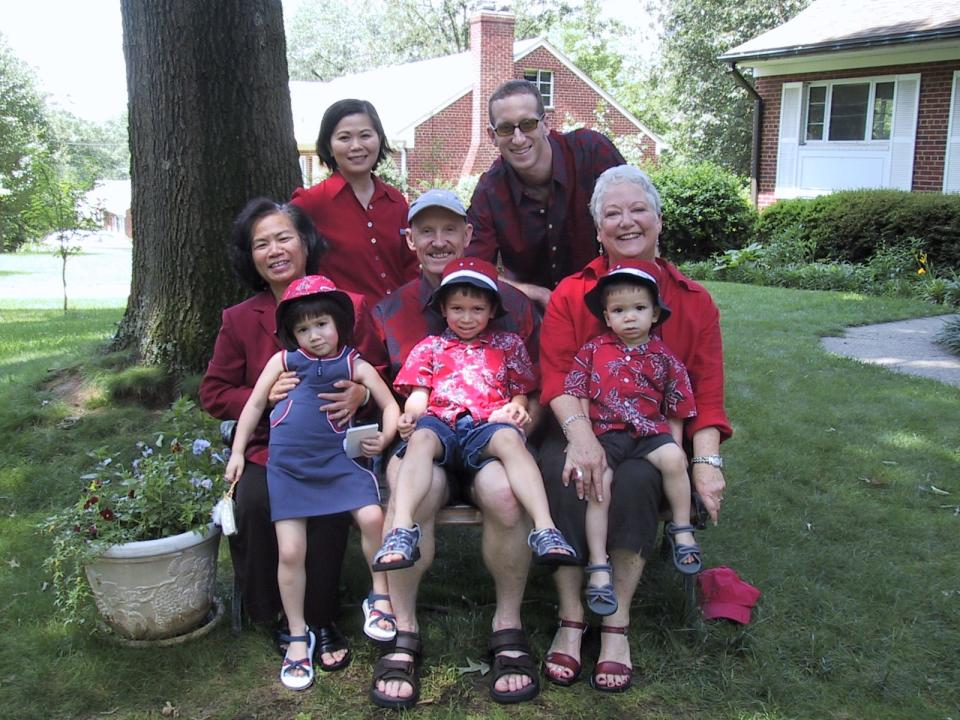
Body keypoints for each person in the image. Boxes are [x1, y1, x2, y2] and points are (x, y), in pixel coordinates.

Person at [538, 165, 732, 693]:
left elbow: (706, 395)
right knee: (569, 471)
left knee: (642, 481)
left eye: (638, 209)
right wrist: (582, 440)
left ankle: (616, 622)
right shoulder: (570, 293)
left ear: (659, 220)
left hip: (652, 430)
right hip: (580, 420)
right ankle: (573, 618)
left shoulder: (693, 300)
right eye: (612, 214)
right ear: (598, 230)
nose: (626, 222)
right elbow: (556, 377)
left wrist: (705, 462)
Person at [368, 190, 545, 709]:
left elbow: (531, 383)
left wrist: (518, 425)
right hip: (427, 437)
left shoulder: (511, 302)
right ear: (411, 241)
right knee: (409, 487)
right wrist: (375, 402)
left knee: (506, 494)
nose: (439, 240)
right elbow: (378, 381)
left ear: (469, 236)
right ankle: (404, 632)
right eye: (427, 231)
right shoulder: (391, 309)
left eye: (451, 229)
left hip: (491, 436)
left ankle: (507, 626)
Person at [199, 198, 392, 670]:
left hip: (333, 440)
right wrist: (261, 397)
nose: (275, 250)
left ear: (306, 243)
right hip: (272, 445)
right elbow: (213, 392)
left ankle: (322, 617)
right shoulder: (240, 319)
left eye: (284, 237)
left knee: (331, 508)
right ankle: (281, 618)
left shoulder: (348, 306)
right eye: (261, 244)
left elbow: (379, 371)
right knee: (257, 501)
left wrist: (357, 396)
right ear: (251, 257)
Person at [225, 275, 399, 690]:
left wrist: (385, 437)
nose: (314, 335)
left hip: (340, 462)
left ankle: (379, 597)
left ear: (338, 322)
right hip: (289, 468)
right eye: (303, 329)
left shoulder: (355, 364)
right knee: (290, 550)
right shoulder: (282, 363)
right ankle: (299, 636)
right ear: (291, 334)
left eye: (321, 325)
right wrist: (236, 451)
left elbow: (390, 403)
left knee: (374, 517)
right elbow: (252, 406)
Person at [373, 257, 576, 573]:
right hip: (441, 421)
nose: (467, 318)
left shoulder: (508, 344)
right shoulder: (430, 347)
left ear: (492, 310)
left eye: (477, 309)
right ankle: (401, 530)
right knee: (422, 438)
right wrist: (410, 416)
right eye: (457, 309)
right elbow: (419, 394)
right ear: (443, 309)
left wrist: (517, 406)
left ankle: (545, 528)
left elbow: (521, 386)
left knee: (510, 437)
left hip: (487, 422)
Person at [564, 263, 700, 619]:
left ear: (655, 314)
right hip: (605, 434)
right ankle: (597, 565)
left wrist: (675, 443)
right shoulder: (593, 350)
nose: (629, 318)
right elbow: (577, 390)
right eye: (619, 311)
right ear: (607, 317)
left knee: (673, 461)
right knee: (598, 487)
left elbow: (677, 404)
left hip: (648, 432)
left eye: (639, 309)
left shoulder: (665, 359)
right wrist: (583, 436)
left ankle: (681, 529)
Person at [466, 79, 625, 307]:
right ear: (493, 136)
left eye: (528, 124)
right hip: (536, 314)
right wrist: (535, 293)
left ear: (545, 124)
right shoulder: (490, 191)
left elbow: (639, 223)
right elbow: (473, 269)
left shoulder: (591, 153)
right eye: (506, 128)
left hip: (611, 304)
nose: (518, 138)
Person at [291, 98, 418, 308]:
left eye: (365, 135)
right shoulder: (310, 203)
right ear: (329, 146)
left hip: (401, 325)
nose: (356, 146)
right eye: (344, 138)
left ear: (379, 139)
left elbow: (410, 267)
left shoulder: (396, 202)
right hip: (345, 328)